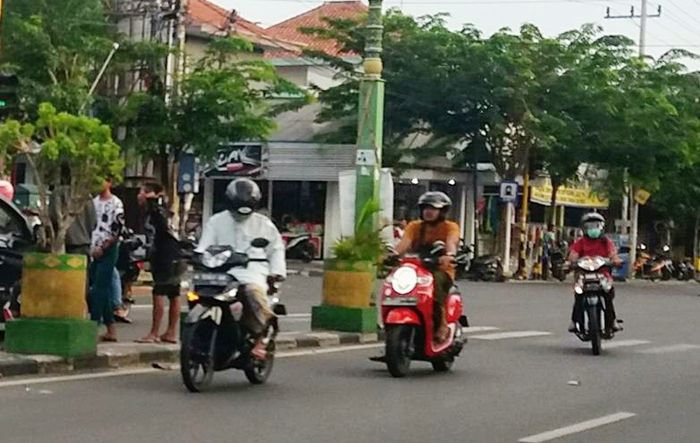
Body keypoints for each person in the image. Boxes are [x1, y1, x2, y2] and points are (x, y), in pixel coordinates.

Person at [196, 178, 286, 360]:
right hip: (220, 271)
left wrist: (276, 273)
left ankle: (264, 331)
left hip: (252, 269)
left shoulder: (264, 224)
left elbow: (276, 249)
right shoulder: (216, 221)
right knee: (197, 292)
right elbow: (204, 247)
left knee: (252, 292)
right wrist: (197, 256)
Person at [394, 192, 460, 343]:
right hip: (416, 268)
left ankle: (442, 324)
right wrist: (390, 255)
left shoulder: (450, 227)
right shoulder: (414, 226)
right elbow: (403, 244)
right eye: (425, 208)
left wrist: (450, 255)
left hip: (440, 269)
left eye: (433, 208)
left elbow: (451, 242)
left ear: (442, 211)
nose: (428, 212)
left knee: (434, 290)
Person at [136, 182, 185, 344]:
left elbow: (160, 232)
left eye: (142, 192)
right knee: (174, 294)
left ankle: (154, 333)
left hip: (165, 256)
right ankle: (170, 332)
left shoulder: (156, 210)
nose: (139, 196)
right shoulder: (167, 209)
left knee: (159, 292)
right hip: (175, 254)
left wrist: (152, 199)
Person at [567, 212, 623, 333]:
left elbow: (613, 255)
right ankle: (575, 321)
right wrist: (571, 262)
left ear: (601, 227)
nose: (593, 229)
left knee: (608, 295)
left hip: (603, 274)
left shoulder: (606, 242)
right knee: (578, 296)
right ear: (584, 228)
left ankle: (612, 321)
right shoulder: (580, 242)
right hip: (583, 275)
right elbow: (573, 256)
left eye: (596, 226)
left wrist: (616, 261)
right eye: (590, 226)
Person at [89, 178, 124, 342]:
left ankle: (93, 324)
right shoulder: (92, 202)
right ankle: (111, 328)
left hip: (108, 250)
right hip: (93, 249)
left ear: (109, 183)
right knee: (98, 288)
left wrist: (103, 248)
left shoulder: (116, 203)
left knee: (99, 288)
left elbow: (117, 230)